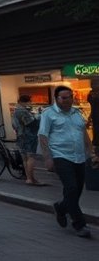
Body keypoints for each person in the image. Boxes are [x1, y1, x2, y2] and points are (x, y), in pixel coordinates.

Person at [39, 85, 99, 238]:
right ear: (57, 98)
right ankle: (79, 224)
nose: (67, 101)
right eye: (64, 98)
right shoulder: (49, 114)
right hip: (60, 156)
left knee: (76, 190)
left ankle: (61, 207)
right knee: (71, 188)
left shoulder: (76, 113)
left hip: (79, 157)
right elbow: (43, 136)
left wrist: (91, 153)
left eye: (70, 97)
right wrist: (47, 158)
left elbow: (83, 133)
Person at [13, 94, 44, 185]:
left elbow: (14, 125)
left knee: (24, 158)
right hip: (29, 136)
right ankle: (31, 179)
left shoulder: (15, 110)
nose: (30, 103)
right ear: (24, 102)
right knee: (31, 156)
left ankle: (28, 177)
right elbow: (31, 123)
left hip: (20, 136)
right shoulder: (23, 111)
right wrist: (39, 116)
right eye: (29, 101)